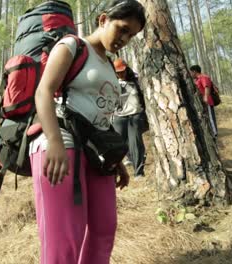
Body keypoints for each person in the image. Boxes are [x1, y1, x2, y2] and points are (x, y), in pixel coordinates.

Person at [29, 1, 146, 263]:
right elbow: (44, 92)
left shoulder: (109, 65)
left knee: (104, 229)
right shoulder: (72, 46)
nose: (125, 39)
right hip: (60, 143)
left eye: (132, 36)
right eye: (122, 29)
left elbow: (102, 118)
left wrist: (116, 160)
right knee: (65, 237)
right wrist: (54, 140)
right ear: (103, 19)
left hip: (97, 155)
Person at [111, 58, 148, 180]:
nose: (120, 74)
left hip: (135, 115)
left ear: (126, 69)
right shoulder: (111, 82)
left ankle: (139, 172)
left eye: (122, 71)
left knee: (135, 142)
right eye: (118, 72)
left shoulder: (136, 81)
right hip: (119, 116)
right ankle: (117, 169)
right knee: (118, 143)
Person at [189, 65, 218, 138]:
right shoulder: (197, 79)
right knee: (207, 117)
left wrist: (206, 97)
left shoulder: (203, 77)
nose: (191, 74)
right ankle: (211, 132)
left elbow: (206, 87)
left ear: (194, 71)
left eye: (191, 72)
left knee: (211, 117)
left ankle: (215, 133)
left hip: (208, 101)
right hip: (202, 102)